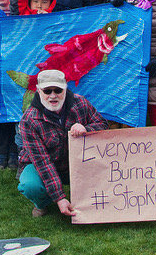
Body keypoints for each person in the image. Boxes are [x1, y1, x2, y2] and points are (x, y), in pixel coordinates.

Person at [16, 70, 108, 217]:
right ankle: (42, 203)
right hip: (43, 163)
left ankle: (86, 197)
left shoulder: (81, 103)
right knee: (30, 185)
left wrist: (87, 129)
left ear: (65, 88)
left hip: (78, 163)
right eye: (47, 91)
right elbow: (42, 162)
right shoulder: (29, 120)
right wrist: (59, 197)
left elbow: (103, 124)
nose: (53, 95)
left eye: (58, 90)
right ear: (38, 91)